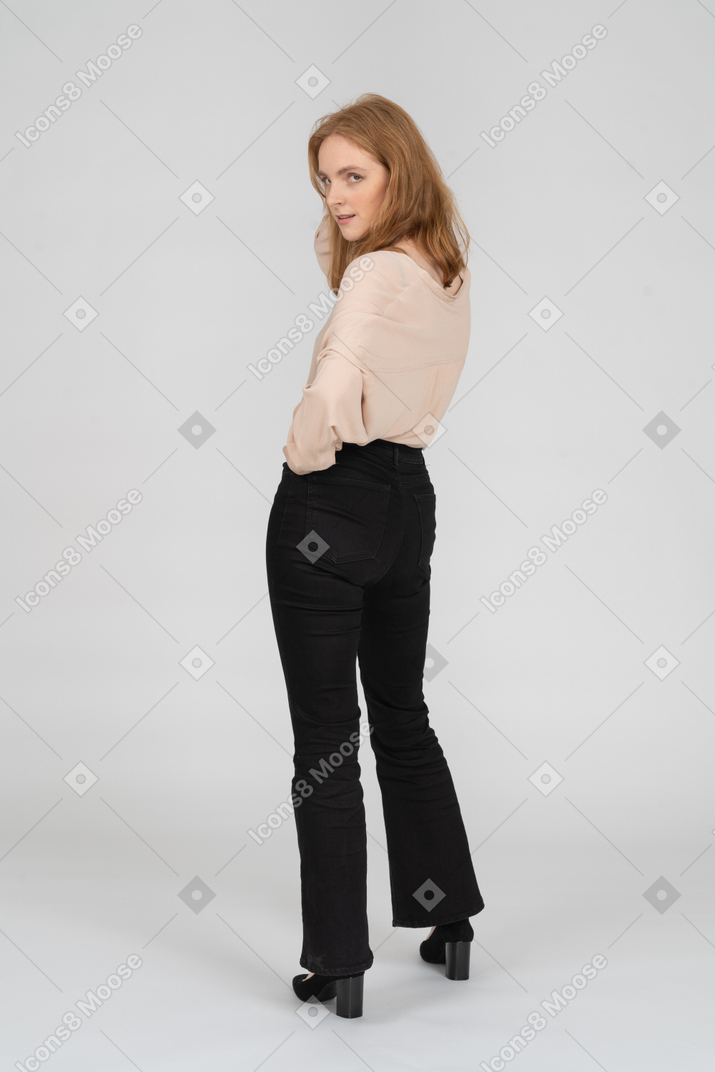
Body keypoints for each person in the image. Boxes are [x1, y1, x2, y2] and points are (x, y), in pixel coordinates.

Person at [265, 93, 485, 1019]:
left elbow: (330, 393)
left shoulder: (371, 280)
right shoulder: (444, 269)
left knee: (325, 740)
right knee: (402, 713)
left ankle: (338, 962)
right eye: (324, 180)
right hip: (409, 502)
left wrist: (301, 451)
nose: (335, 197)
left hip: (329, 501)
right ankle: (447, 922)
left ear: (397, 169)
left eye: (354, 175)